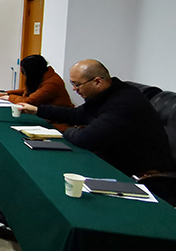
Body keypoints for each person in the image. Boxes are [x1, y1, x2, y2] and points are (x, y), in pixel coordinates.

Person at [18, 59, 173, 176]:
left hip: (138, 172)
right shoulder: (106, 94)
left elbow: (84, 138)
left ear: (97, 81)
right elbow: (77, 114)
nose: (74, 89)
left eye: (77, 85)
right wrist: (37, 110)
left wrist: (63, 131)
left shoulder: (124, 102)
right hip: (111, 157)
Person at [0, 55, 74, 237]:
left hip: (58, 127)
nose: (75, 88)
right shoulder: (43, 77)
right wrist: (6, 93)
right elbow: (26, 91)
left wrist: (9, 97)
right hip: (46, 122)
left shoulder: (52, 83)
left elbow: (28, 101)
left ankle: (12, 219)